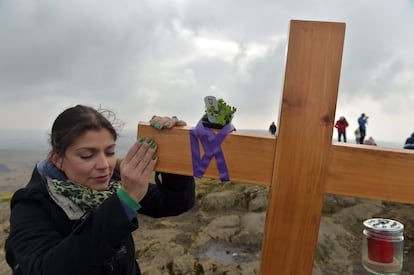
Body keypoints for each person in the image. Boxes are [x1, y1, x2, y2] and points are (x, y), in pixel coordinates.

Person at [5, 105, 195, 275]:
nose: (104, 165)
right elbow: (46, 269)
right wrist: (124, 202)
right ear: (57, 160)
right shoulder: (31, 206)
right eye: (87, 155)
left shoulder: (112, 184)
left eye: (110, 152)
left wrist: (173, 151)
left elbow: (175, 203)